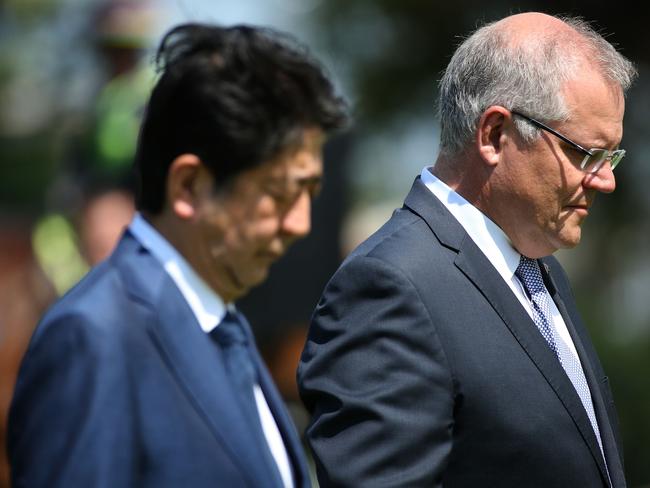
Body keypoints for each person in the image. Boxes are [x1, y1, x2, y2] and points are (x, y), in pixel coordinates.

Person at [298, 12, 636, 488]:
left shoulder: (540, 271)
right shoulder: (391, 287)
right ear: (495, 135)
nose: (606, 179)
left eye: (611, 156)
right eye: (585, 153)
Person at [9, 22, 347, 487]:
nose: (301, 223)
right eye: (279, 193)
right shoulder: (92, 338)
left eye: (311, 191)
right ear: (189, 186)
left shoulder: (224, 325)